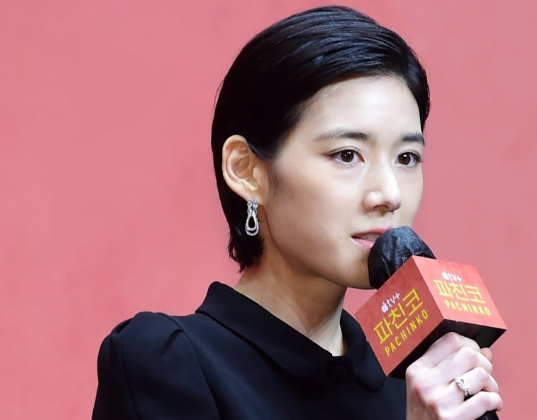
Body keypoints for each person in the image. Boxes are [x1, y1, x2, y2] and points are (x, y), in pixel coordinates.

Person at [92, 5, 503, 419]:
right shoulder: (169, 362)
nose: (390, 194)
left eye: (407, 158)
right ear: (247, 170)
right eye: (347, 155)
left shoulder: (415, 384)